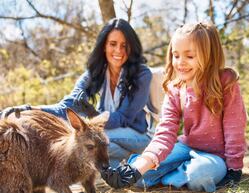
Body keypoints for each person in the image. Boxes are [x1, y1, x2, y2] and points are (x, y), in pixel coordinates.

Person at [100, 22, 247, 192]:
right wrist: (137, 169)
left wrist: (234, 168)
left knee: (200, 175)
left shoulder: (226, 83)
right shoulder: (176, 88)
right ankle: (167, 171)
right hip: (185, 147)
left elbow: (234, 128)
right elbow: (165, 132)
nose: (180, 63)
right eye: (176, 55)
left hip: (215, 157)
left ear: (210, 56)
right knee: (140, 176)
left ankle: (175, 174)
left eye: (189, 56)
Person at [1, 18, 152, 168]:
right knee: (90, 145)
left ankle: (136, 160)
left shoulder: (142, 74)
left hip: (138, 136)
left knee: (83, 142)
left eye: (124, 45)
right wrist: (29, 109)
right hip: (108, 136)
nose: (119, 50)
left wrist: (92, 114)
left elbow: (123, 118)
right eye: (113, 44)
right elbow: (65, 107)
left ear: (131, 48)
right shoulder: (95, 73)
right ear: (104, 46)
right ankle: (129, 164)